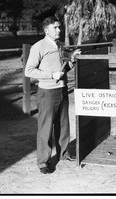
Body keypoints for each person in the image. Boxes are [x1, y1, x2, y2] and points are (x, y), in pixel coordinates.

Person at [25, 16, 80, 174]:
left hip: (61, 89)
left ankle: (63, 154)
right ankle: (43, 162)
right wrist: (51, 75)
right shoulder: (39, 46)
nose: (59, 30)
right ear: (46, 30)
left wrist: (72, 61)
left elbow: (62, 70)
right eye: (55, 27)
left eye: (59, 27)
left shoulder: (60, 45)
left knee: (63, 125)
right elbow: (29, 71)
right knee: (46, 127)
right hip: (47, 92)